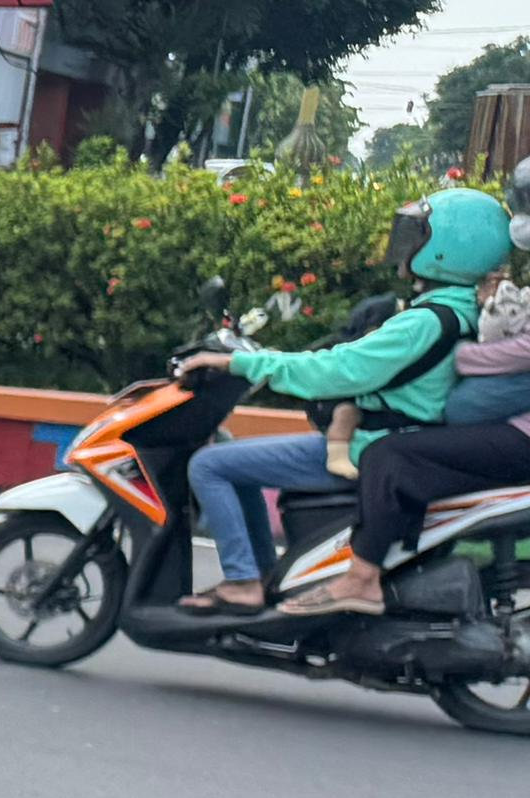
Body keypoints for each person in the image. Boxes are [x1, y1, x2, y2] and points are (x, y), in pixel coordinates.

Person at [179, 188, 493, 614]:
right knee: (236, 466)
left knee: (209, 464)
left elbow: (338, 370)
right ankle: (268, 577)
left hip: (368, 446)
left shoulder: (425, 321)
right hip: (392, 440)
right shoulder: (463, 310)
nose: (404, 245)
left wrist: (240, 363)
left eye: (417, 235)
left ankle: (243, 581)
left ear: (446, 250)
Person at [289, 285, 530, 616]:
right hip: (514, 430)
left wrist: (462, 353)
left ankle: (362, 577)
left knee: (389, 455)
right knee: (422, 451)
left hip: (522, 439)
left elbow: (513, 351)